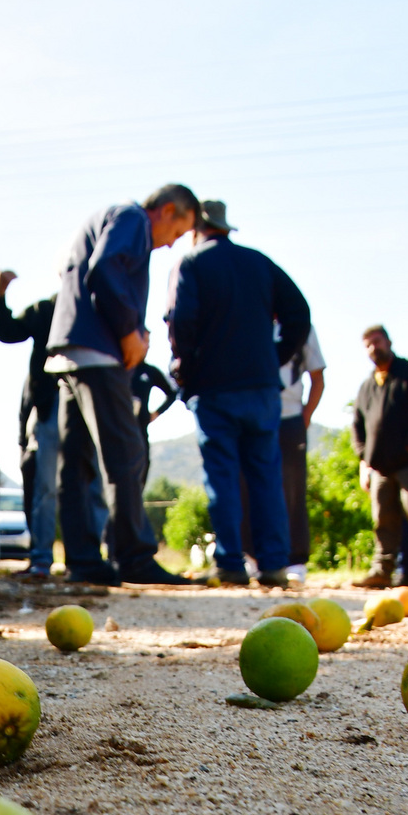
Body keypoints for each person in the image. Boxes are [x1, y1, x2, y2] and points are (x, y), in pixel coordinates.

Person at [45, 184, 200, 586]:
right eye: (178, 233)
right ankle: (133, 557)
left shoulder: (108, 217)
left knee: (76, 460)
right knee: (126, 451)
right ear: (167, 211)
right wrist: (130, 330)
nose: (170, 245)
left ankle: (83, 560)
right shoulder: (132, 219)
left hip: (69, 350)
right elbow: (107, 267)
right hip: (99, 352)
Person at [165, 199, 311, 588]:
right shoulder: (259, 262)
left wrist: (185, 368)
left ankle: (231, 563)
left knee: (223, 475)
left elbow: (181, 321)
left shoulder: (192, 263)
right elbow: (299, 314)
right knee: (266, 474)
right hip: (262, 388)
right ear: (226, 229)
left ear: (197, 228)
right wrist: (274, 358)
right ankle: (274, 564)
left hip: (215, 388)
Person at [350, 325, 408, 589]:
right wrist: (364, 458)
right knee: (383, 521)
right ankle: (382, 571)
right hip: (379, 467)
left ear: (388, 341)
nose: (373, 347)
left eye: (376, 341)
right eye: (367, 344)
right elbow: (358, 426)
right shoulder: (366, 387)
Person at [241, 325, 326, 583]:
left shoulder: (300, 324)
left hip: (289, 417)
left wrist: (306, 415)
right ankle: (252, 556)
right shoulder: (248, 319)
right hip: (252, 417)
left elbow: (317, 375)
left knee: (291, 487)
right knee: (247, 485)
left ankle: (295, 559)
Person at [0, 271, 59, 577]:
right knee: (43, 484)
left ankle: (87, 559)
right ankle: (42, 559)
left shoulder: (97, 311)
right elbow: (8, 330)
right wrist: (0, 296)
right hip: (49, 407)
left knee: (87, 484)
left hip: (89, 405)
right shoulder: (47, 310)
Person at [130, 361, 178, 486]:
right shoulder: (118, 367)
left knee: (141, 476)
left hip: (141, 432)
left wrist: (156, 413)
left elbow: (172, 393)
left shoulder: (149, 371)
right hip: (116, 432)